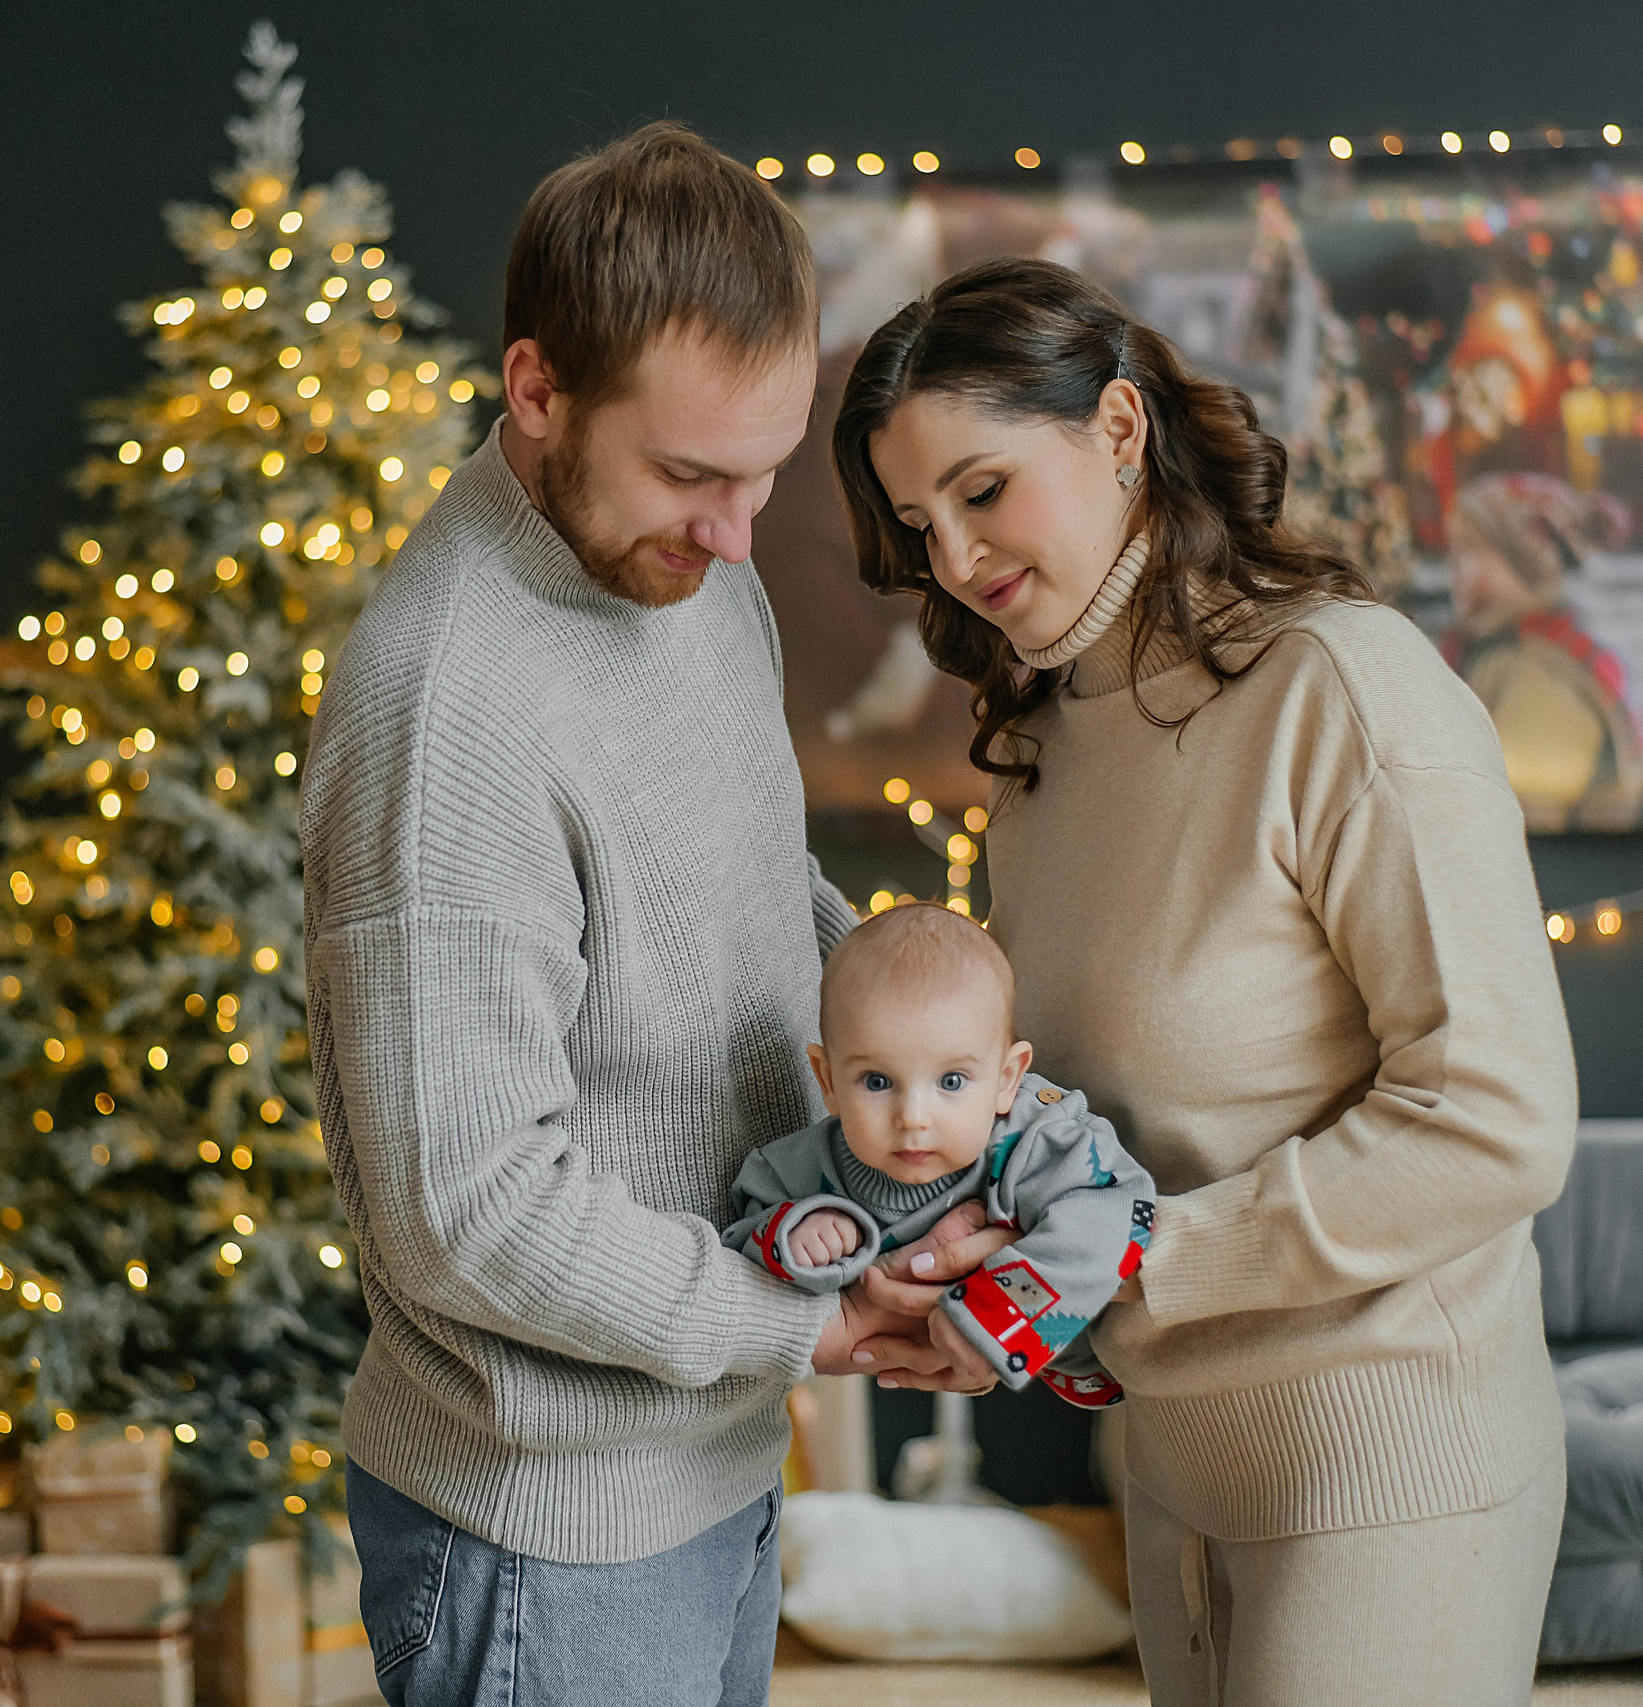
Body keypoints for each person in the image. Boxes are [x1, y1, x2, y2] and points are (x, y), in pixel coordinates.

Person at [299, 124, 1005, 1707]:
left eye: (764, 471)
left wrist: (932, 1082)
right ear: (537, 389)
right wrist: (802, 1322)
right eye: (692, 473)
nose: (737, 531)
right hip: (546, 1539)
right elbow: (470, 1204)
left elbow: (759, 891)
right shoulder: (449, 710)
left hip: (713, 1457)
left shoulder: (691, 570)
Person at [833, 257, 1578, 1707]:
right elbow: (1074, 1130)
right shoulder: (1042, 759)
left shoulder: (1343, 689)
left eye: (983, 491)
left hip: (1389, 1459)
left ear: (1119, 429)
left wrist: (1126, 1265)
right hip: (1168, 1467)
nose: (955, 559)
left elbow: (1497, 1116)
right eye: (921, 523)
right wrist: (974, 1262)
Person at [723, 901, 1156, 1408]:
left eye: (951, 1081)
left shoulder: (1035, 1137)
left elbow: (1121, 1210)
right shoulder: (801, 1163)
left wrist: (1000, 1312)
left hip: (1113, 1365)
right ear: (827, 1080)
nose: (913, 1117)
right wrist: (797, 1232)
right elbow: (740, 1231)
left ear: (1006, 1080)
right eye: (877, 1081)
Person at [1440, 471, 1643, 830]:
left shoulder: (1543, 680)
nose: (1454, 566)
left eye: (1472, 549)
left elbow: (1511, 830)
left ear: (1526, 566)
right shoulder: (1496, 655)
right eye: (1454, 549)